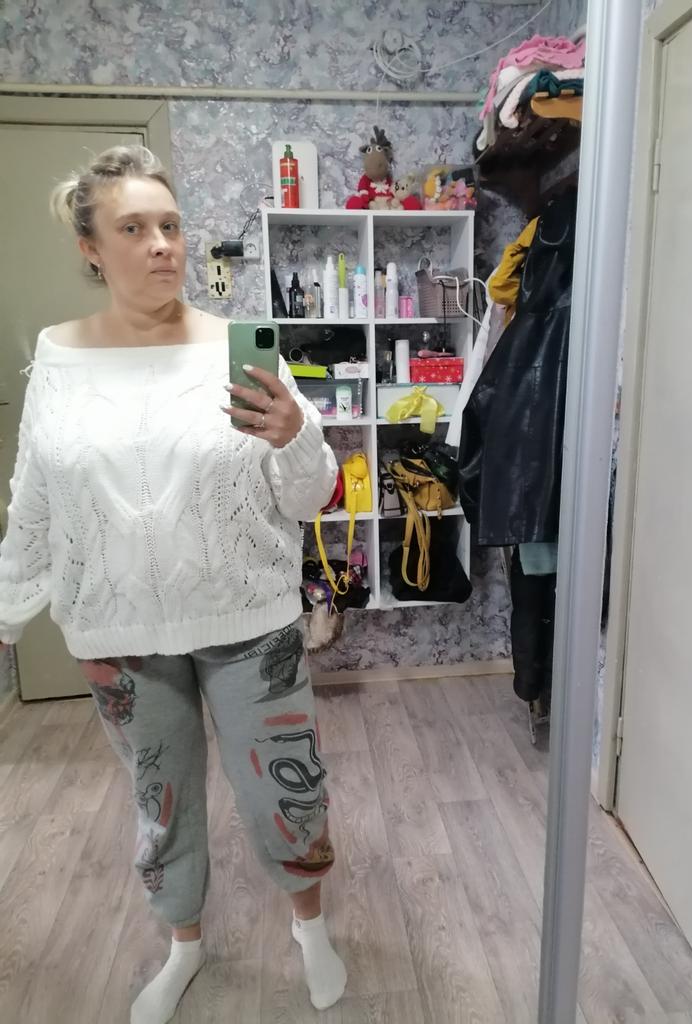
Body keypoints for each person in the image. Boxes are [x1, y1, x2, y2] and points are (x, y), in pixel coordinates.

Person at [0, 145, 346, 1023]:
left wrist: (293, 435)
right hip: (117, 632)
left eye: (171, 224)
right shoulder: (59, 357)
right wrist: (6, 615)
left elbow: (309, 495)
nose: (161, 244)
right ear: (90, 248)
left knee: (285, 785)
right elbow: (34, 496)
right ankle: (183, 945)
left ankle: (310, 928)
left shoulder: (236, 348)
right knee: (160, 799)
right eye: (133, 228)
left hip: (249, 620)